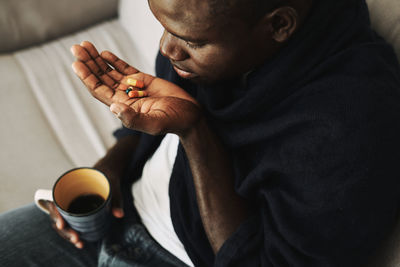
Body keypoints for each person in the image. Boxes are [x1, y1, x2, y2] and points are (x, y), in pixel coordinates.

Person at [1, 0, 400, 266]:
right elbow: (156, 133)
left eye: (192, 41)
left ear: (278, 25)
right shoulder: (212, 36)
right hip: (121, 218)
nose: (167, 49)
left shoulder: (350, 124)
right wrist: (111, 168)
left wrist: (194, 132)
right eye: (161, 25)